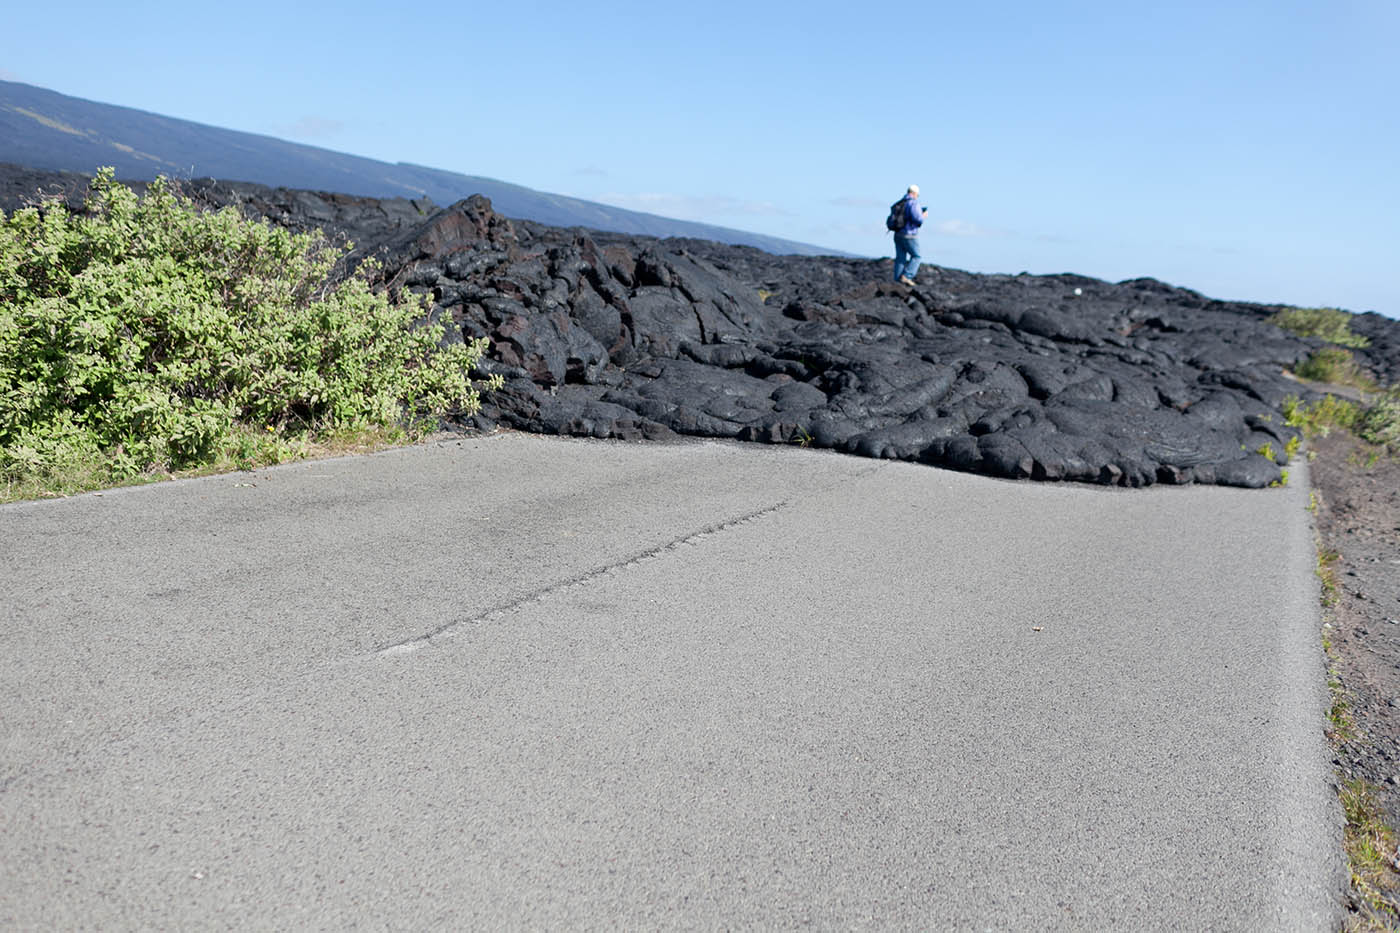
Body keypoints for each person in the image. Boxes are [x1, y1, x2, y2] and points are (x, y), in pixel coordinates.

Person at [892, 184, 928, 286]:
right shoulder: (913, 203)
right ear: (915, 193)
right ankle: (907, 276)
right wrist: (923, 215)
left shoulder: (900, 202)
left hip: (897, 233)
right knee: (917, 256)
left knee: (900, 257)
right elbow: (918, 219)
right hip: (909, 234)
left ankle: (897, 280)